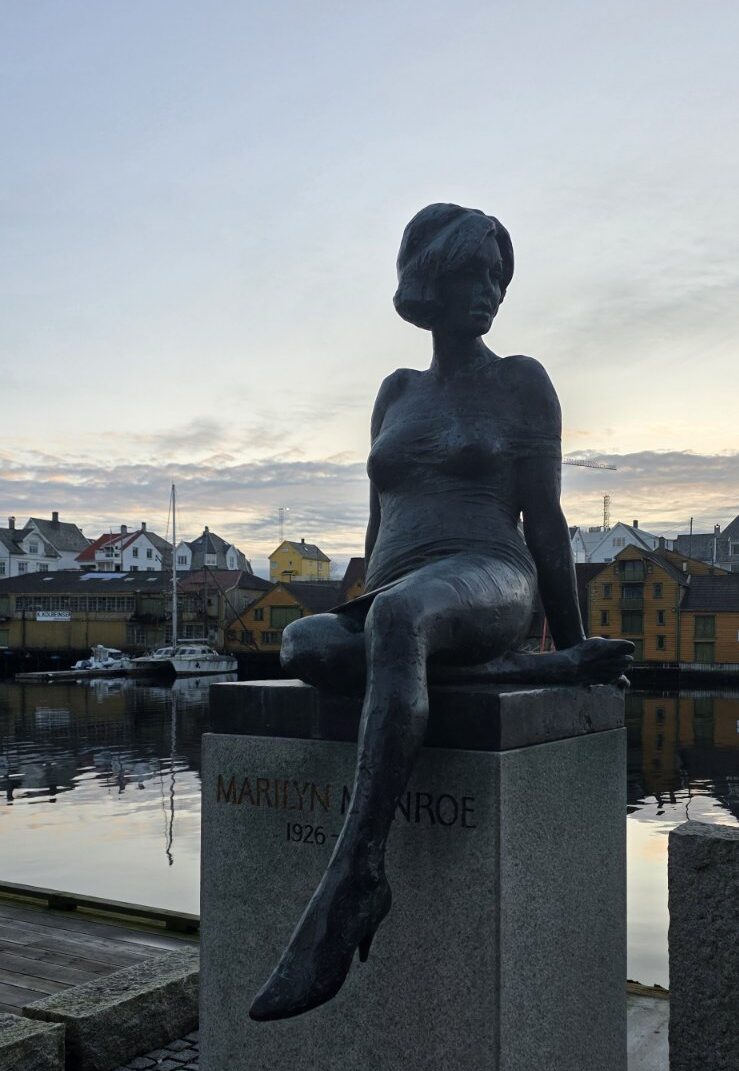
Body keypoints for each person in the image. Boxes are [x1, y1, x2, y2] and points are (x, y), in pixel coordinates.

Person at [249, 202, 632, 1022]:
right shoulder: (395, 392)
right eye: (471, 273)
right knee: (305, 644)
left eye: (497, 277)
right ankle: (517, 670)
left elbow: (548, 523)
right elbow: (379, 522)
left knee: (400, 624)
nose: (488, 291)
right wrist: (361, 600)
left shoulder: (521, 381)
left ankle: (357, 876)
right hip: (399, 593)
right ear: (428, 277)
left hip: (491, 574)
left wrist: (576, 649)